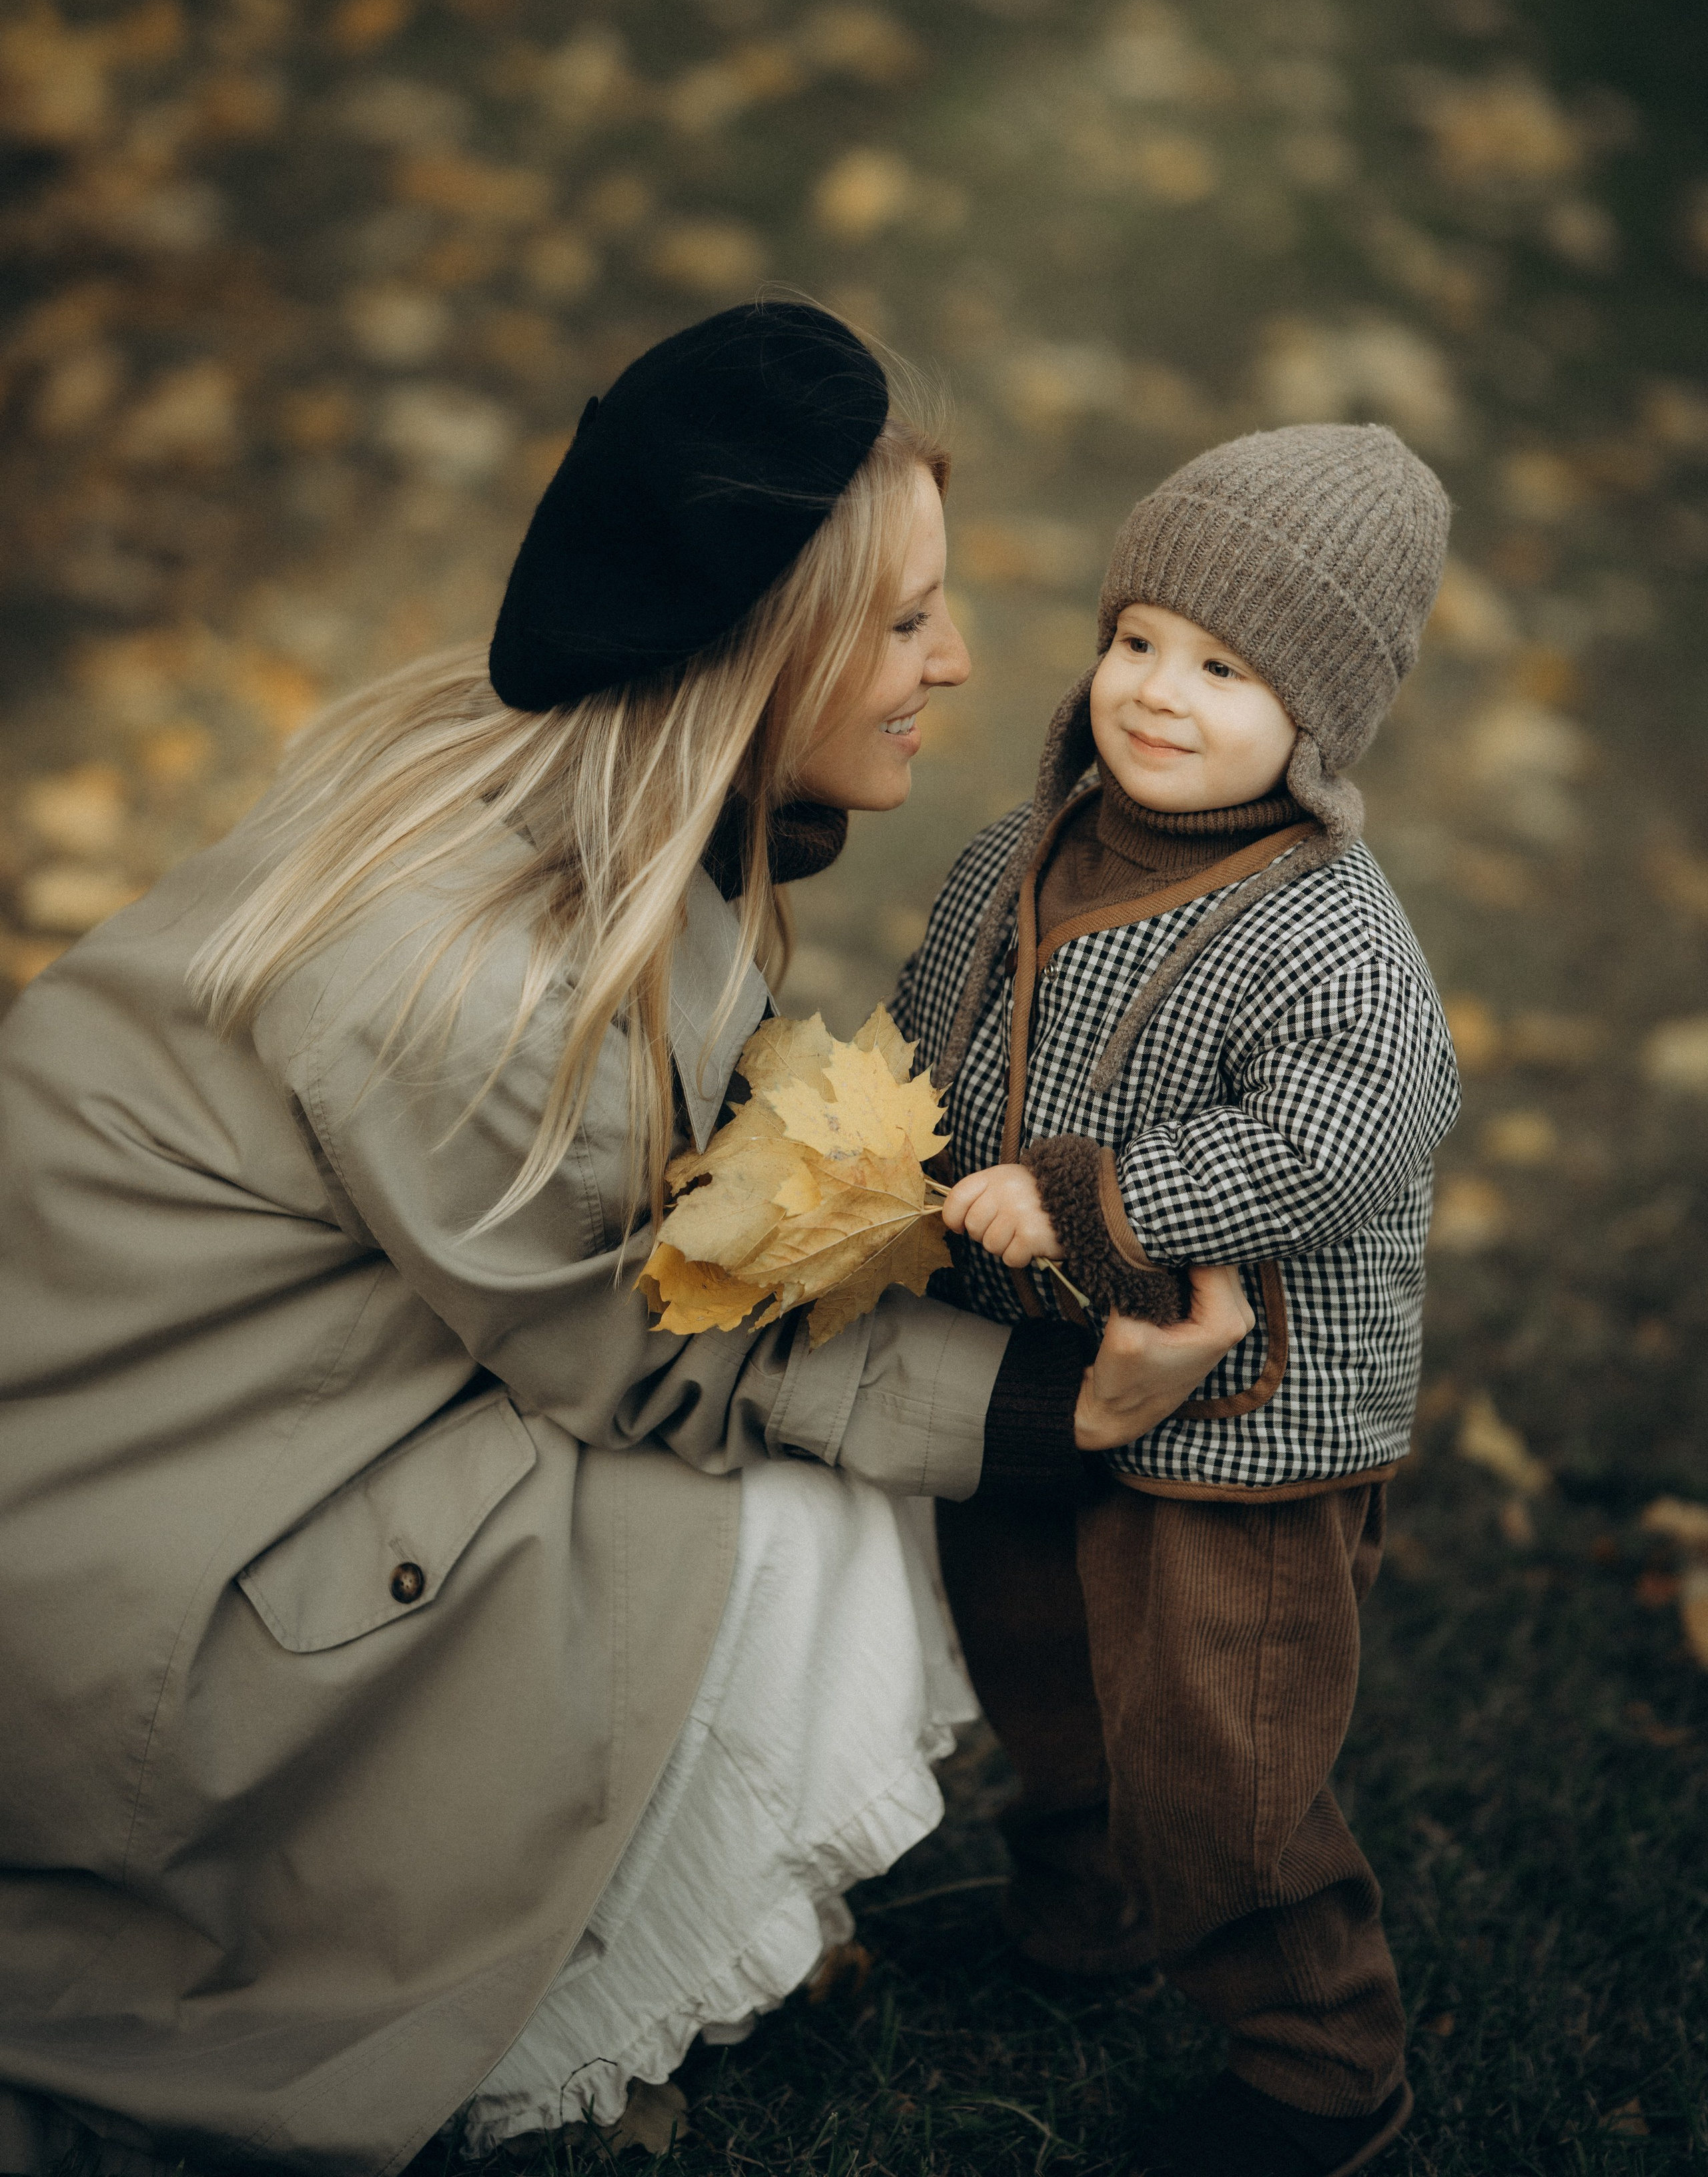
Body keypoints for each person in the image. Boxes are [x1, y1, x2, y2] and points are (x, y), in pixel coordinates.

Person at [0, 302, 1252, 2177]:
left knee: (822, 1456)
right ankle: (523, 2006)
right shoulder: (479, 985)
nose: (959, 662)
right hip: (140, 1568)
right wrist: (1039, 1408)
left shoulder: (551, 774)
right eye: (904, 624)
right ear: (755, 653)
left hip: (240, 1421)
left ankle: (592, 1903)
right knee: (782, 1517)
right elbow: (646, 1352)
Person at [895, 425, 1463, 2177]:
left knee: (1215, 1736)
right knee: (1042, 1655)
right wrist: (886, 1148)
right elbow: (939, 1017)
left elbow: (1345, 1132)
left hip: (1250, 1421)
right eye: (1139, 637)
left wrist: (1093, 1199)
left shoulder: (1329, 936)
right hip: (1047, 1373)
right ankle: (1089, 1911)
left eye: (1227, 669)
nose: (1160, 690)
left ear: (1325, 717)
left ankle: (1317, 2063)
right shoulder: (1029, 848)